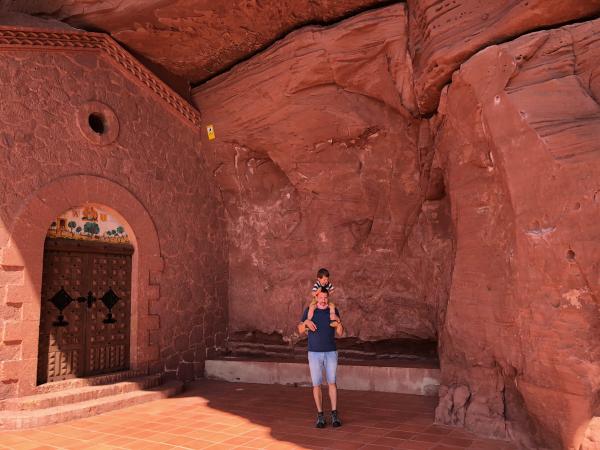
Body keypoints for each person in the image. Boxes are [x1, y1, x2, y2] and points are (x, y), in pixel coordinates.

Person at [298, 288, 344, 428]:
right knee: (316, 384)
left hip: (330, 352)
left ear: (328, 298)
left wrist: (338, 323)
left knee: (332, 382)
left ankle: (334, 414)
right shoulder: (309, 311)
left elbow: (341, 332)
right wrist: (305, 323)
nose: (323, 300)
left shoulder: (333, 311)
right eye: (321, 297)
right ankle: (320, 416)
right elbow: (300, 330)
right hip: (314, 353)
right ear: (316, 298)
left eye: (325, 298)